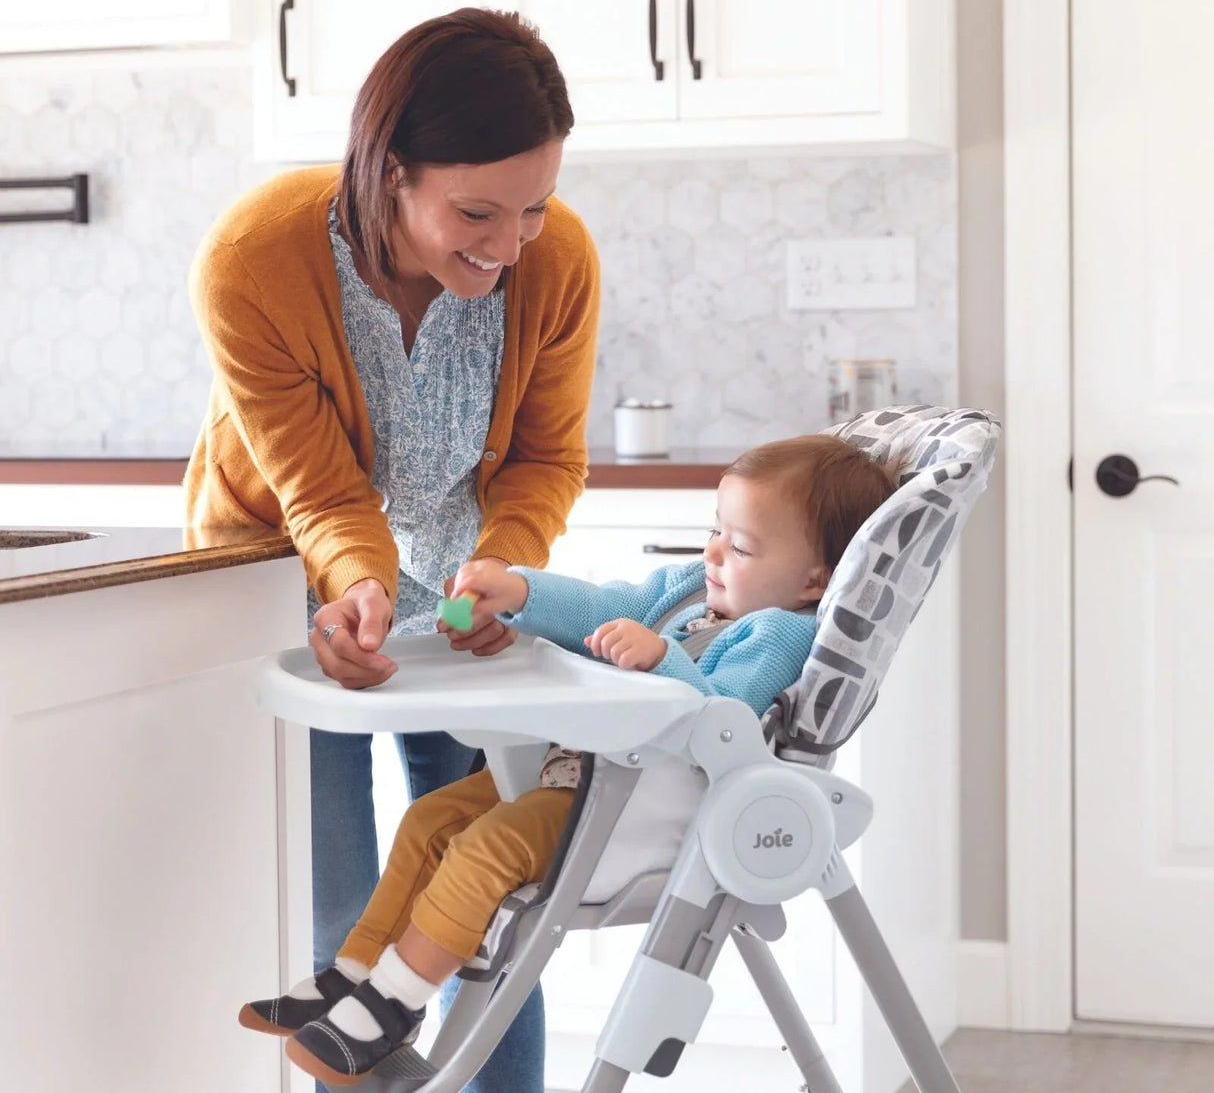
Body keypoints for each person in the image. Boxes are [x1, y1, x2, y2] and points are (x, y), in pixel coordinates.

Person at [185, 8, 600, 1092]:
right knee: (337, 899)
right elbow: (320, 492)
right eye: (476, 212)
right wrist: (359, 586)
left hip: (467, 591)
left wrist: (506, 570)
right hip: (291, 576)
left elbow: (546, 457)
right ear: (386, 172)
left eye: (534, 207)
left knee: (488, 891)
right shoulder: (253, 260)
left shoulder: (555, 261)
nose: (510, 244)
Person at [236, 433, 896, 1087]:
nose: (713, 553)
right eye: (714, 531)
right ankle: (354, 975)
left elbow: (727, 721)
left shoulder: (776, 632)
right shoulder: (693, 591)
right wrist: (518, 591)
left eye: (742, 547)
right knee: (430, 819)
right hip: (583, 776)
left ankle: (394, 1003)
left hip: (640, 811)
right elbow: (605, 605)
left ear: (815, 579)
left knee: (484, 850)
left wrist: (663, 661)